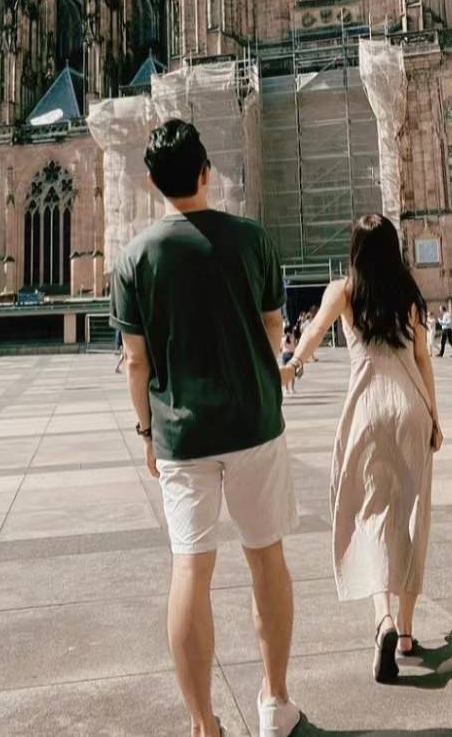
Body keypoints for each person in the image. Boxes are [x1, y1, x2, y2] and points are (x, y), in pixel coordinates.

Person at [110, 120, 301, 737]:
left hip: (181, 434)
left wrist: (147, 434)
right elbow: (272, 326)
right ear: (206, 172)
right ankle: (274, 703)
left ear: (152, 184)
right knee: (266, 560)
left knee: (190, 569)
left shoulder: (135, 258)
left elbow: (136, 362)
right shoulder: (251, 239)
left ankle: (203, 725)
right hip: (254, 422)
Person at [279, 214, 443, 684]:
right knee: (411, 517)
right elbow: (423, 360)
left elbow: (312, 335)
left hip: (368, 411)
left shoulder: (344, 291)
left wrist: (291, 367)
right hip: (411, 407)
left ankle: (383, 619)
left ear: (355, 251)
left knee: (371, 516)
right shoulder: (408, 293)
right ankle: (407, 634)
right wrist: (435, 417)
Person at [280, 325, 297, 396]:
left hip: (285, 355)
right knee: (292, 372)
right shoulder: (293, 338)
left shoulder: (283, 338)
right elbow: (295, 345)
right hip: (292, 354)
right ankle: (292, 388)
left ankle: (286, 390)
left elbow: (280, 348)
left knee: (285, 372)